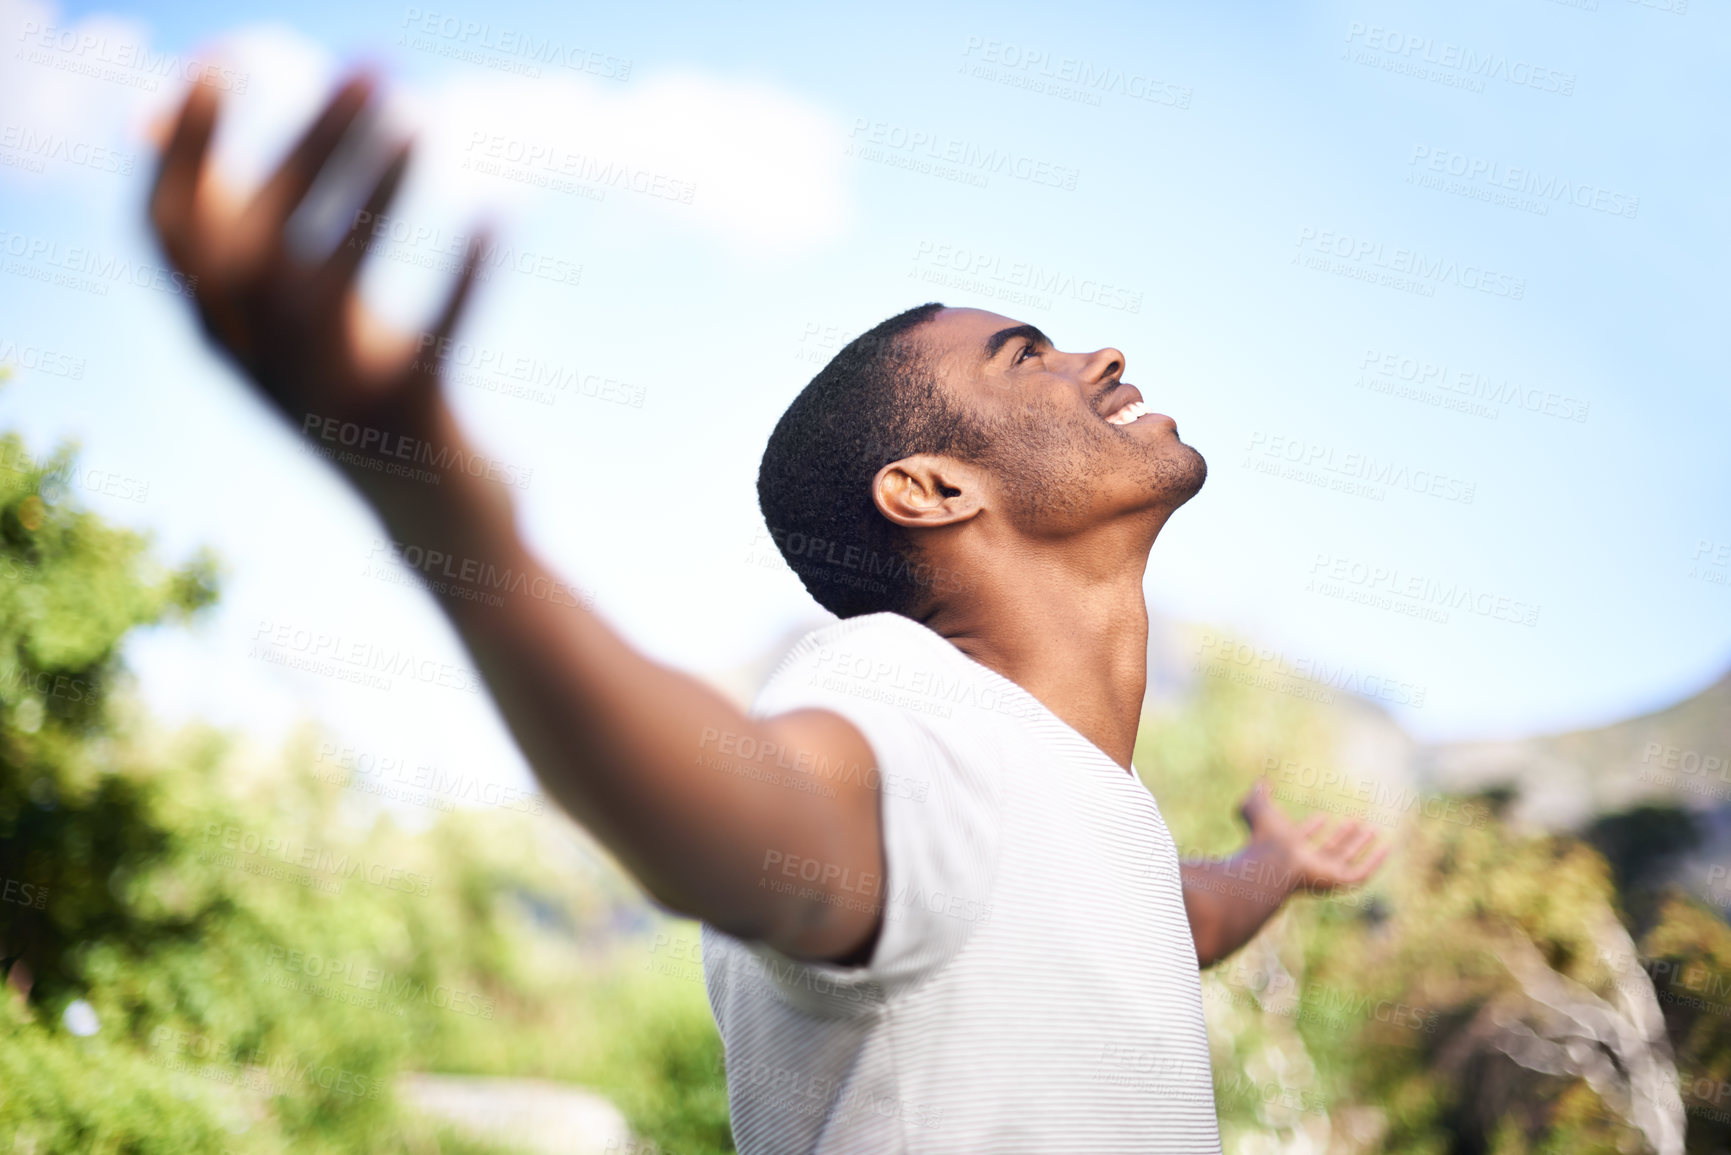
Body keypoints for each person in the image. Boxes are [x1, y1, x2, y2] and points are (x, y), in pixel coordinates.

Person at [149, 72, 1389, 1154]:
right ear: (930, 487)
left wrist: (1267, 868)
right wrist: (446, 509)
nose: (1101, 358)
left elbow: (1169, 914)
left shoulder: (1066, 802)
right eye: (1027, 355)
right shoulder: (901, 707)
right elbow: (731, 817)